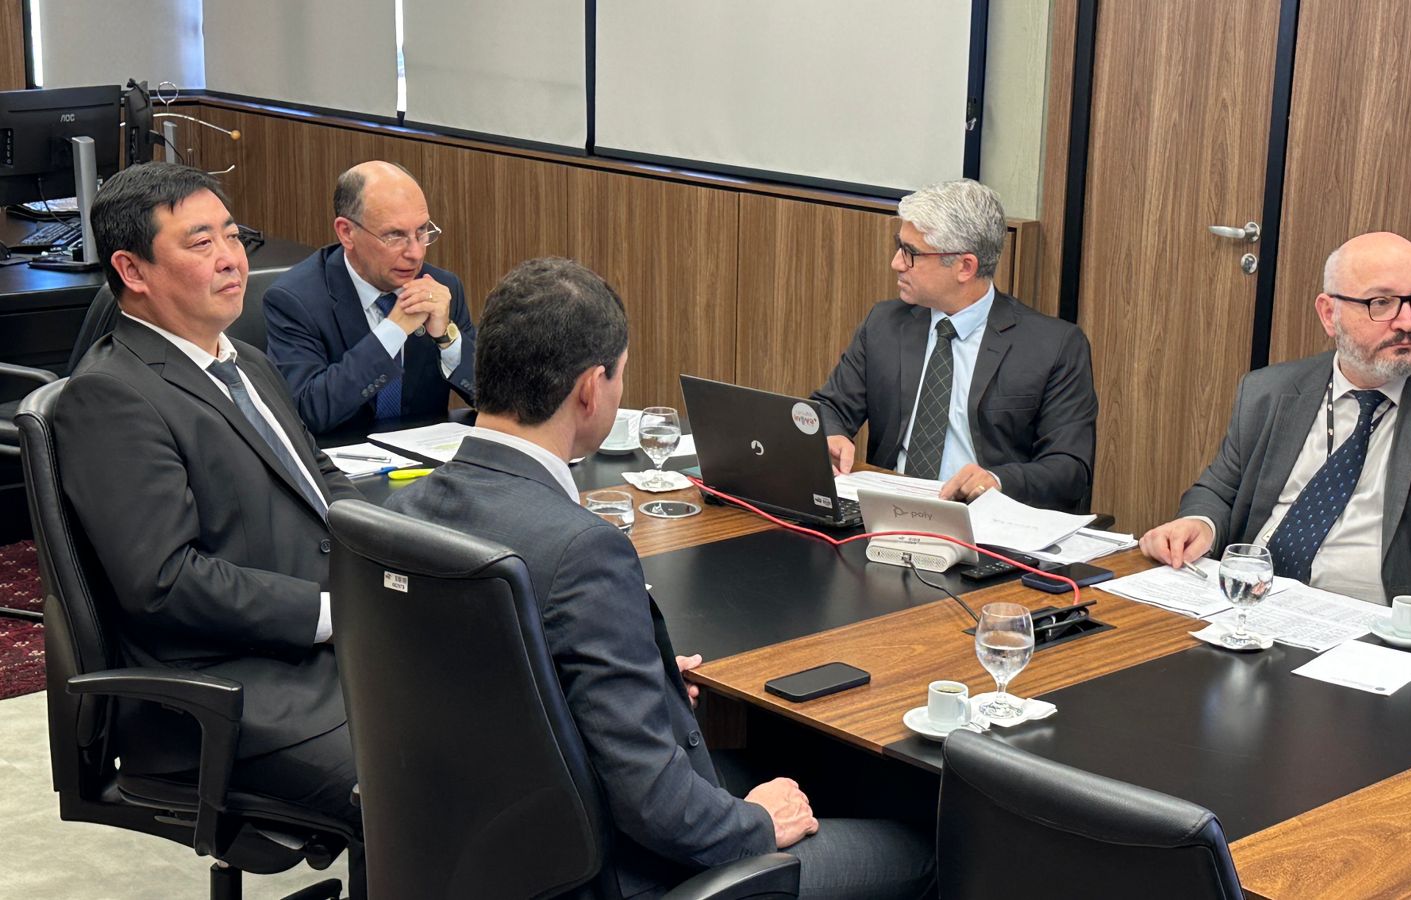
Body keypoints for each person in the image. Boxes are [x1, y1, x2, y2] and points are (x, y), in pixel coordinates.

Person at [386, 258, 933, 900]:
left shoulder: (405, 510)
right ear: (592, 389)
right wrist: (759, 823)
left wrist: (637, 675)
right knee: (920, 848)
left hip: (482, 842)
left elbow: (492, 679)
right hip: (615, 869)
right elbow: (656, 806)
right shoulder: (583, 551)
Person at [54, 163, 366, 891]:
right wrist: (328, 614)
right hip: (228, 695)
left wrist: (407, 563)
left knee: (517, 729)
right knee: (445, 779)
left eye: (233, 235)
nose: (232, 259)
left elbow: (324, 484)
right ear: (132, 269)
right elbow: (165, 584)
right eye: (201, 243)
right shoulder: (110, 397)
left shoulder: (243, 361)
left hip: (324, 657)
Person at [1139, 232, 1411, 644]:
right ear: (1329, 314)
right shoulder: (1269, 391)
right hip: (1249, 613)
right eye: (1380, 303)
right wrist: (1196, 522)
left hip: (1379, 635)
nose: (1407, 321)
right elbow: (1220, 490)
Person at [811, 179, 1098, 510]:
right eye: (899, 245)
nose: (897, 263)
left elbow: (1069, 469)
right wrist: (831, 434)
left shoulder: (1054, 346)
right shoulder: (886, 324)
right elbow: (829, 407)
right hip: (886, 513)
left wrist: (998, 480)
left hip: (986, 523)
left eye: (911, 253)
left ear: (965, 267)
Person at [263, 160, 476, 434]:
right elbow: (306, 412)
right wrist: (393, 331)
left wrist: (448, 340)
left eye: (422, 231)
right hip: (336, 467)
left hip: (429, 464)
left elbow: (500, 401)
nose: (416, 253)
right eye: (395, 235)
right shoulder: (295, 300)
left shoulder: (442, 288)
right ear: (346, 232)